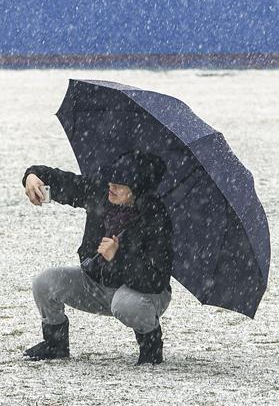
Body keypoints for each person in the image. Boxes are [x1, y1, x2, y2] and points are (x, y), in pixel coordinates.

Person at [21, 150, 172, 365]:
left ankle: (151, 348)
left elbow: (155, 279)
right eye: (112, 180)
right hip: (97, 284)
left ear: (137, 191)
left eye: (119, 185)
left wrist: (117, 257)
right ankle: (55, 345)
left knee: (125, 304)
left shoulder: (156, 218)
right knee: (45, 282)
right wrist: (33, 176)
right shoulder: (101, 194)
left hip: (142, 295)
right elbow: (65, 183)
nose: (111, 187)